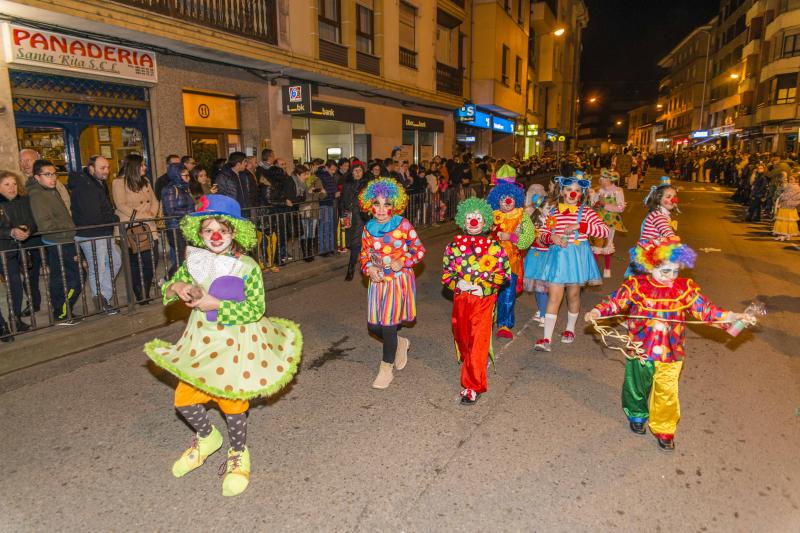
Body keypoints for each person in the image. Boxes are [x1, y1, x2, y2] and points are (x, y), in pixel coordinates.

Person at [144, 194, 302, 496]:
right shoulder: (195, 261)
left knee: (232, 405)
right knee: (184, 400)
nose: (215, 236)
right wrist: (178, 286)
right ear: (199, 233)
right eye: (208, 230)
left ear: (234, 232)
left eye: (222, 230)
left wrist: (218, 304)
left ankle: (238, 452)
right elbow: (169, 288)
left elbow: (256, 308)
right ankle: (208, 438)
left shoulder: (247, 267)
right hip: (200, 343)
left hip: (235, 344)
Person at [585, 237, 749, 451]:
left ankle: (664, 429)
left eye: (675, 271)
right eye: (665, 271)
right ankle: (636, 414)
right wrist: (597, 311)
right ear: (650, 267)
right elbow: (616, 301)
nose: (671, 276)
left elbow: (707, 311)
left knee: (667, 392)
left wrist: (733, 317)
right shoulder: (636, 286)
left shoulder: (684, 289)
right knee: (636, 386)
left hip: (671, 353)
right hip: (641, 349)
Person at [441, 198, 510, 404]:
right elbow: (446, 273)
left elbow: (504, 274)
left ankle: (473, 385)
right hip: (461, 299)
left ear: (485, 222)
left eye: (478, 218)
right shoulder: (453, 246)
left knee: (478, 341)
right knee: (463, 339)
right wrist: (458, 283)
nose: (473, 222)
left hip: (483, 300)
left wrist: (484, 288)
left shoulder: (495, 247)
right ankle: (469, 365)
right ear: (463, 220)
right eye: (470, 217)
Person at [359, 178, 425, 389]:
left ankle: (386, 369)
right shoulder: (368, 228)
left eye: (386, 204)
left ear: (395, 205)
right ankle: (399, 342)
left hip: (397, 281)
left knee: (387, 324)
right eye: (376, 203)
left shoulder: (402, 225)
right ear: (369, 204)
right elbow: (364, 255)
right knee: (373, 326)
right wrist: (369, 268)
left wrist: (403, 261)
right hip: (377, 282)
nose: (381, 209)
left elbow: (419, 250)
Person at [535, 175, 609, 352]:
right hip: (557, 258)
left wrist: (580, 226)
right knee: (554, 297)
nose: (573, 193)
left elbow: (604, 231)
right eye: (569, 190)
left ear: (582, 193)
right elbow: (543, 233)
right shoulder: (553, 211)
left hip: (576, 258)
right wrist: (551, 237)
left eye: (577, 190)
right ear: (562, 191)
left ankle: (570, 329)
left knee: (573, 295)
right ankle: (546, 339)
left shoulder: (587, 212)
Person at [27, 159, 82, 323]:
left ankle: (60, 311)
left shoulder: (50, 190)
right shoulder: (37, 195)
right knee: (76, 278)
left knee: (59, 277)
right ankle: (62, 311)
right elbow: (45, 224)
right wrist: (69, 229)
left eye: (54, 174)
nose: (52, 178)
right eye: (47, 174)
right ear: (37, 177)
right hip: (59, 240)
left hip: (62, 239)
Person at [486, 169, 535, 340]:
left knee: (507, 294)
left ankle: (504, 324)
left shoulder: (522, 216)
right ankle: (486, 320)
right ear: (496, 200)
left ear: (516, 199)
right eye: (502, 198)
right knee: (489, 292)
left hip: (511, 262)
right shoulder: (490, 216)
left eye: (511, 198)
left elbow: (528, 238)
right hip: (490, 262)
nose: (507, 202)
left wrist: (512, 237)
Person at [69, 155, 121, 314]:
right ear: (91, 169)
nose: (106, 171)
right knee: (98, 268)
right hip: (90, 233)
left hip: (103, 231)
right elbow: (92, 215)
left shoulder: (98, 183)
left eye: (107, 167)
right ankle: (101, 300)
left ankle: (103, 296)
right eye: (102, 168)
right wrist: (114, 218)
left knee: (115, 262)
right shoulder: (85, 186)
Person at [112, 154, 160, 302]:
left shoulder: (145, 181)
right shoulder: (119, 182)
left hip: (149, 226)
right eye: (142, 165)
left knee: (152, 260)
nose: (145, 167)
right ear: (134, 167)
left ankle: (144, 289)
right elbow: (121, 205)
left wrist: (152, 213)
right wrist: (141, 215)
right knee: (135, 262)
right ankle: (140, 292)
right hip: (131, 227)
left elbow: (154, 200)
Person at [0, 170, 36, 335]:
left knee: (16, 286)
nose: (12, 187)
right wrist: (10, 232)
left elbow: (32, 221)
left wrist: (27, 231)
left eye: (14, 184)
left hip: (10, 252)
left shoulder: (23, 200)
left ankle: (15, 318)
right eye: (7, 184)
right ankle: (1, 326)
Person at [590, 170, 627, 278]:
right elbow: (593, 204)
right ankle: (593, 271)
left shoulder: (618, 191)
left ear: (609, 180)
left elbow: (621, 208)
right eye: (601, 178)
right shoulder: (600, 190)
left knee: (607, 244)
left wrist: (604, 205)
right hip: (598, 220)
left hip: (611, 221)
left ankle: (607, 269)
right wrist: (592, 195)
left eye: (603, 179)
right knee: (596, 244)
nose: (601, 180)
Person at [522, 183, 551, 325]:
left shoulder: (553, 222)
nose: (550, 210)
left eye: (551, 208)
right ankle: (541, 310)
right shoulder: (534, 221)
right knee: (536, 286)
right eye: (547, 208)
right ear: (540, 208)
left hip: (547, 257)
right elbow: (526, 236)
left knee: (543, 287)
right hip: (534, 255)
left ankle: (544, 314)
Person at [161, 163, 195, 278]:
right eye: (185, 176)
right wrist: (190, 214)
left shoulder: (184, 188)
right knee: (182, 258)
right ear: (176, 175)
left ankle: (177, 279)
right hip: (175, 227)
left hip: (185, 226)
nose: (188, 178)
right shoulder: (170, 189)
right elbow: (170, 211)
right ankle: (167, 279)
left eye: (188, 175)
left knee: (186, 256)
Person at [341, 161, 369, 280]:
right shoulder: (347, 184)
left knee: (356, 243)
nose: (357, 173)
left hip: (362, 217)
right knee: (352, 242)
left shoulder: (367, 185)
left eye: (360, 170)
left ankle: (351, 269)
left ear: (363, 172)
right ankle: (363, 266)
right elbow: (342, 200)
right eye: (355, 170)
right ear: (351, 172)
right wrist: (342, 215)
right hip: (349, 216)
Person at [297, 164, 327, 262]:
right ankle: (305, 254)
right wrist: (308, 192)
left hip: (314, 209)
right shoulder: (301, 181)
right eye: (307, 172)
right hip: (304, 210)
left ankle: (310, 252)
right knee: (304, 232)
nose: (308, 174)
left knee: (312, 232)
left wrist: (323, 192)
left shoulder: (317, 180)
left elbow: (321, 196)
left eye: (310, 171)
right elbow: (299, 197)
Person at [316, 160, 339, 256]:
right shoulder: (322, 176)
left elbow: (330, 190)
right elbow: (323, 192)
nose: (333, 171)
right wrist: (333, 194)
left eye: (334, 169)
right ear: (326, 168)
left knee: (330, 226)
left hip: (330, 203)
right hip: (324, 204)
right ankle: (323, 250)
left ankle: (330, 248)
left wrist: (333, 193)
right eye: (331, 169)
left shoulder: (330, 176)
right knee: (324, 227)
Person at [772, 173, 800, 241]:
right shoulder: (794, 186)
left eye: (791, 179)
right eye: (789, 179)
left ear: (796, 180)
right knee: (787, 222)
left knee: (784, 221)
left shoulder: (793, 187)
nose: (790, 180)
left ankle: (783, 235)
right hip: (789, 206)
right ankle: (787, 235)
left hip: (787, 206)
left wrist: (781, 197)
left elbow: (786, 196)